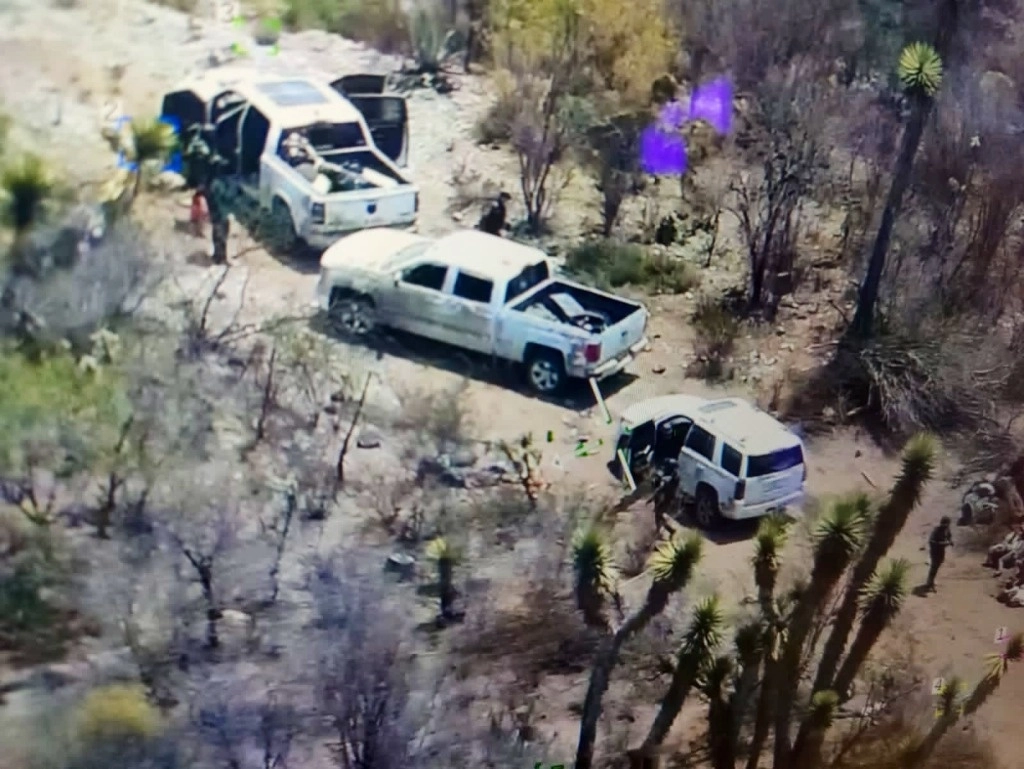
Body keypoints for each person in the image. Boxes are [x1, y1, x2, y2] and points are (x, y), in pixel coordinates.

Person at [926, 516, 954, 591]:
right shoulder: (936, 530)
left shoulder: (947, 530)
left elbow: (949, 537)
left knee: (938, 565)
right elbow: (931, 541)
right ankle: (929, 582)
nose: (946, 526)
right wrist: (942, 543)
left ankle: (932, 580)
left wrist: (950, 541)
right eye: (945, 524)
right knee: (934, 566)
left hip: (941, 551)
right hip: (935, 551)